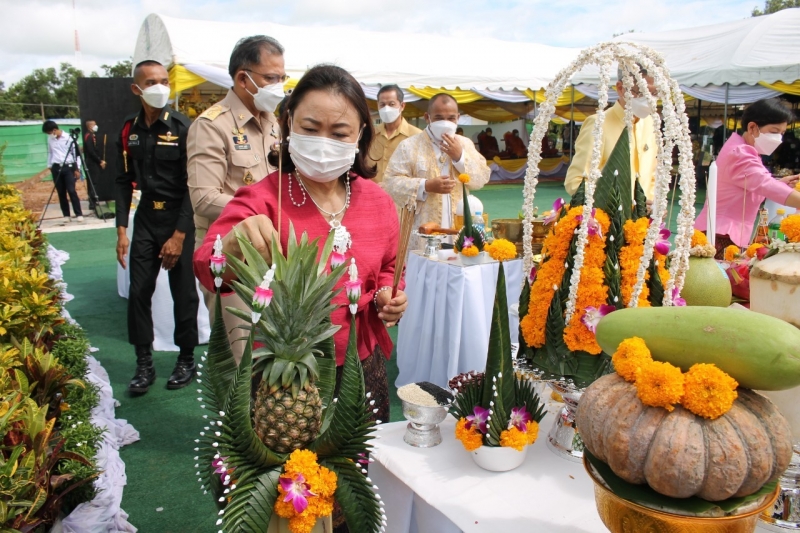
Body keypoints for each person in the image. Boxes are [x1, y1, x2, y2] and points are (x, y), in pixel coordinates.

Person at [194, 64, 407, 428]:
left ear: (360, 136)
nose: (323, 142)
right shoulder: (263, 198)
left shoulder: (378, 201)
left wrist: (389, 292)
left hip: (362, 362)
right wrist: (233, 243)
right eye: (310, 128)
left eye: (339, 133)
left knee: (364, 457)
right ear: (289, 123)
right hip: (285, 377)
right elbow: (206, 266)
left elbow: (390, 265)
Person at [187, 35, 285, 363]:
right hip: (233, 255)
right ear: (243, 78)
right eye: (271, 78)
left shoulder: (274, 123)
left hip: (274, 249)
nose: (279, 86)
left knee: (277, 353)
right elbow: (204, 198)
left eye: (282, 77)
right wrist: (261, 213)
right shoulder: (211, 125)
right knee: (241, 358)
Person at [115, 60, 199, 394]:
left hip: (179, 219)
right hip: (147, 219)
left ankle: (187, 359)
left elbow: (194, 185)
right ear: (136, 88)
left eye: (164, 80)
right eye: (151, 82)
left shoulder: (183, 127)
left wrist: (179, 235)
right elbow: (123, 181)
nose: (160, 87)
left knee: (184, 293)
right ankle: (144, 364)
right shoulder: (129, 129)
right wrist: (121, 230)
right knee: (139, 292)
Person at [383, 93, 490, 252]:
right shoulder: (409, 146)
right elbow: (390, 182)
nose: (445, 123)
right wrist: (425, 186)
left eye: (451, 118)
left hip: (459, 231)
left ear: (458, 118)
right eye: (439, 117)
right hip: (423, 230)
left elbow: (482, 178)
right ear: (427, 117)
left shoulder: (465, 144)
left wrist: (460, 157)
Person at [695, 99, 800, 258]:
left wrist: (780, 183)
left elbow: (753, 186)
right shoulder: (740, 153)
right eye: (774, 131)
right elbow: (765, 184)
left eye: (782, 133)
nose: (778, 138)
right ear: (752, 127)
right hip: (720, 234)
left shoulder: (745, 149)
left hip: (723, 232)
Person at [565, 65, 658, 201]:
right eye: (642, 92)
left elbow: (652, 176)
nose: (649, 100)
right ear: (620, 88)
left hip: (646, 214)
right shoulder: (598, 124)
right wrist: (614, 205)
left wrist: (654, 203)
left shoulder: (650, 123)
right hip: (609, 213)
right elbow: (576, 182)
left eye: (655, 94)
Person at [368, 84, 421, 183]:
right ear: (377, 105)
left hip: (402, 192)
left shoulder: (417, 136)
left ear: (402, 106)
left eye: (391, 104)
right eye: (382, 105)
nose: (386, 108)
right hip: (373, 191)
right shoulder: (370, 135)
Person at [42, 120, 84, 224]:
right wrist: (50, 165)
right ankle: (66, 215)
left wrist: (77, 169)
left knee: (71, 190)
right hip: (56, 167)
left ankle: (78, 214)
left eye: (49, 132)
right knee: (61, 192)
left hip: (68, 167)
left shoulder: (69, 138)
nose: (49, 135)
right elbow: (50, 152)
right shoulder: (50, 139)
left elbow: (77, 155)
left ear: (54, 130)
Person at [83, 119, 105, 210]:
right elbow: (91, 151)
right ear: (90, 126)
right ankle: (92, 202)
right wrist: (99, 161)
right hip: (91, 162)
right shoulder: (89, 136)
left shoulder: (92, 135)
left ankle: (93, 201)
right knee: (93, 182)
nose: (96, 126)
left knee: (94, 181)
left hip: (93, 161)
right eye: (94, 125)